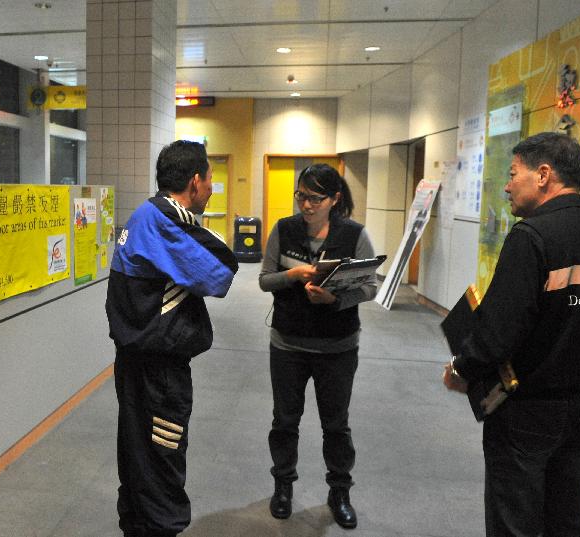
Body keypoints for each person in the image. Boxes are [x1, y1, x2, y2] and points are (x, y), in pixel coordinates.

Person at [442, 132, 580, 537]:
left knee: (515, 520)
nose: (507, 185)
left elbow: (498, 332)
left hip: (528, 409)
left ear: (543, 175)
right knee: (565, 516)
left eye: (513, 174)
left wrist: (461, 367)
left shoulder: (532, 237)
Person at [106, 140, 239, 537]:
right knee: (163, 457)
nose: (212, 187)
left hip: (134, 361)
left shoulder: (144, 214)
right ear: (195, 181)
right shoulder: (166, 220)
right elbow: (220, 270)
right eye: (211, 179)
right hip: (160, 370)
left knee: (137, 454)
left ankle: (137, 526)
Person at [258, 164, 378, 529]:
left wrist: (334, 300)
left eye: (315, 198)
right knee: (285, 421)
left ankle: (339, 492)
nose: (306, 205)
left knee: (336, 425)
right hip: (288, 344)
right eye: (301, 196)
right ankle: (283, 487)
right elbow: (265, 280)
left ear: (335, 199)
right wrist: (292, 275)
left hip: (337, 347)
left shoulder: (354, 235)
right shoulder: (284, 229)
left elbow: (371, 286)